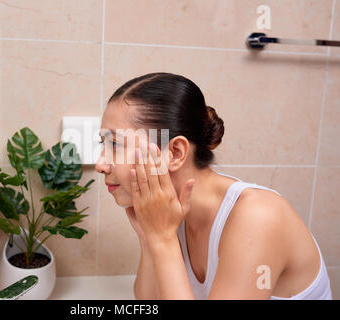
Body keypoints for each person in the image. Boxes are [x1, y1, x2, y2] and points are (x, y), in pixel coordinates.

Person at [95, 72, 332, 300]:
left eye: (115, 144)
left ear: (176, 152)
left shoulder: (258, 216)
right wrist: (150, 239)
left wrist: (163, 240)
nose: (101, 164)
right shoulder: (169, 211)